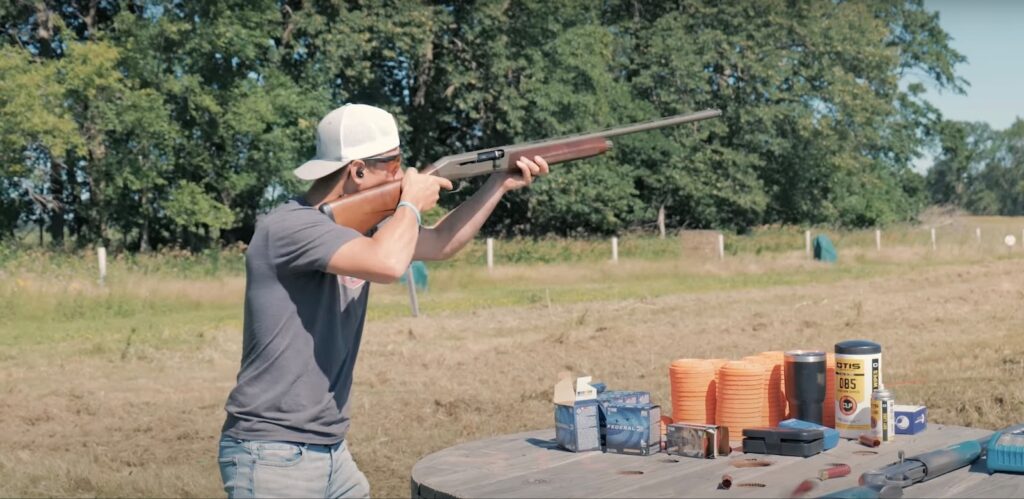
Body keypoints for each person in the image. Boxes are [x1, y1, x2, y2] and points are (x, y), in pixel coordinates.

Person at [216, 104, 549, 498]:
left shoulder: (359, 229)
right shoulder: (290, 227)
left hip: (329, 449)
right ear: (357, 171)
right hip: (274, 451)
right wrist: (410, 203)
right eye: (393, 166)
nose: (403, 175)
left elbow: (441, 243)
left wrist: (498, 186)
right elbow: (389, 264)